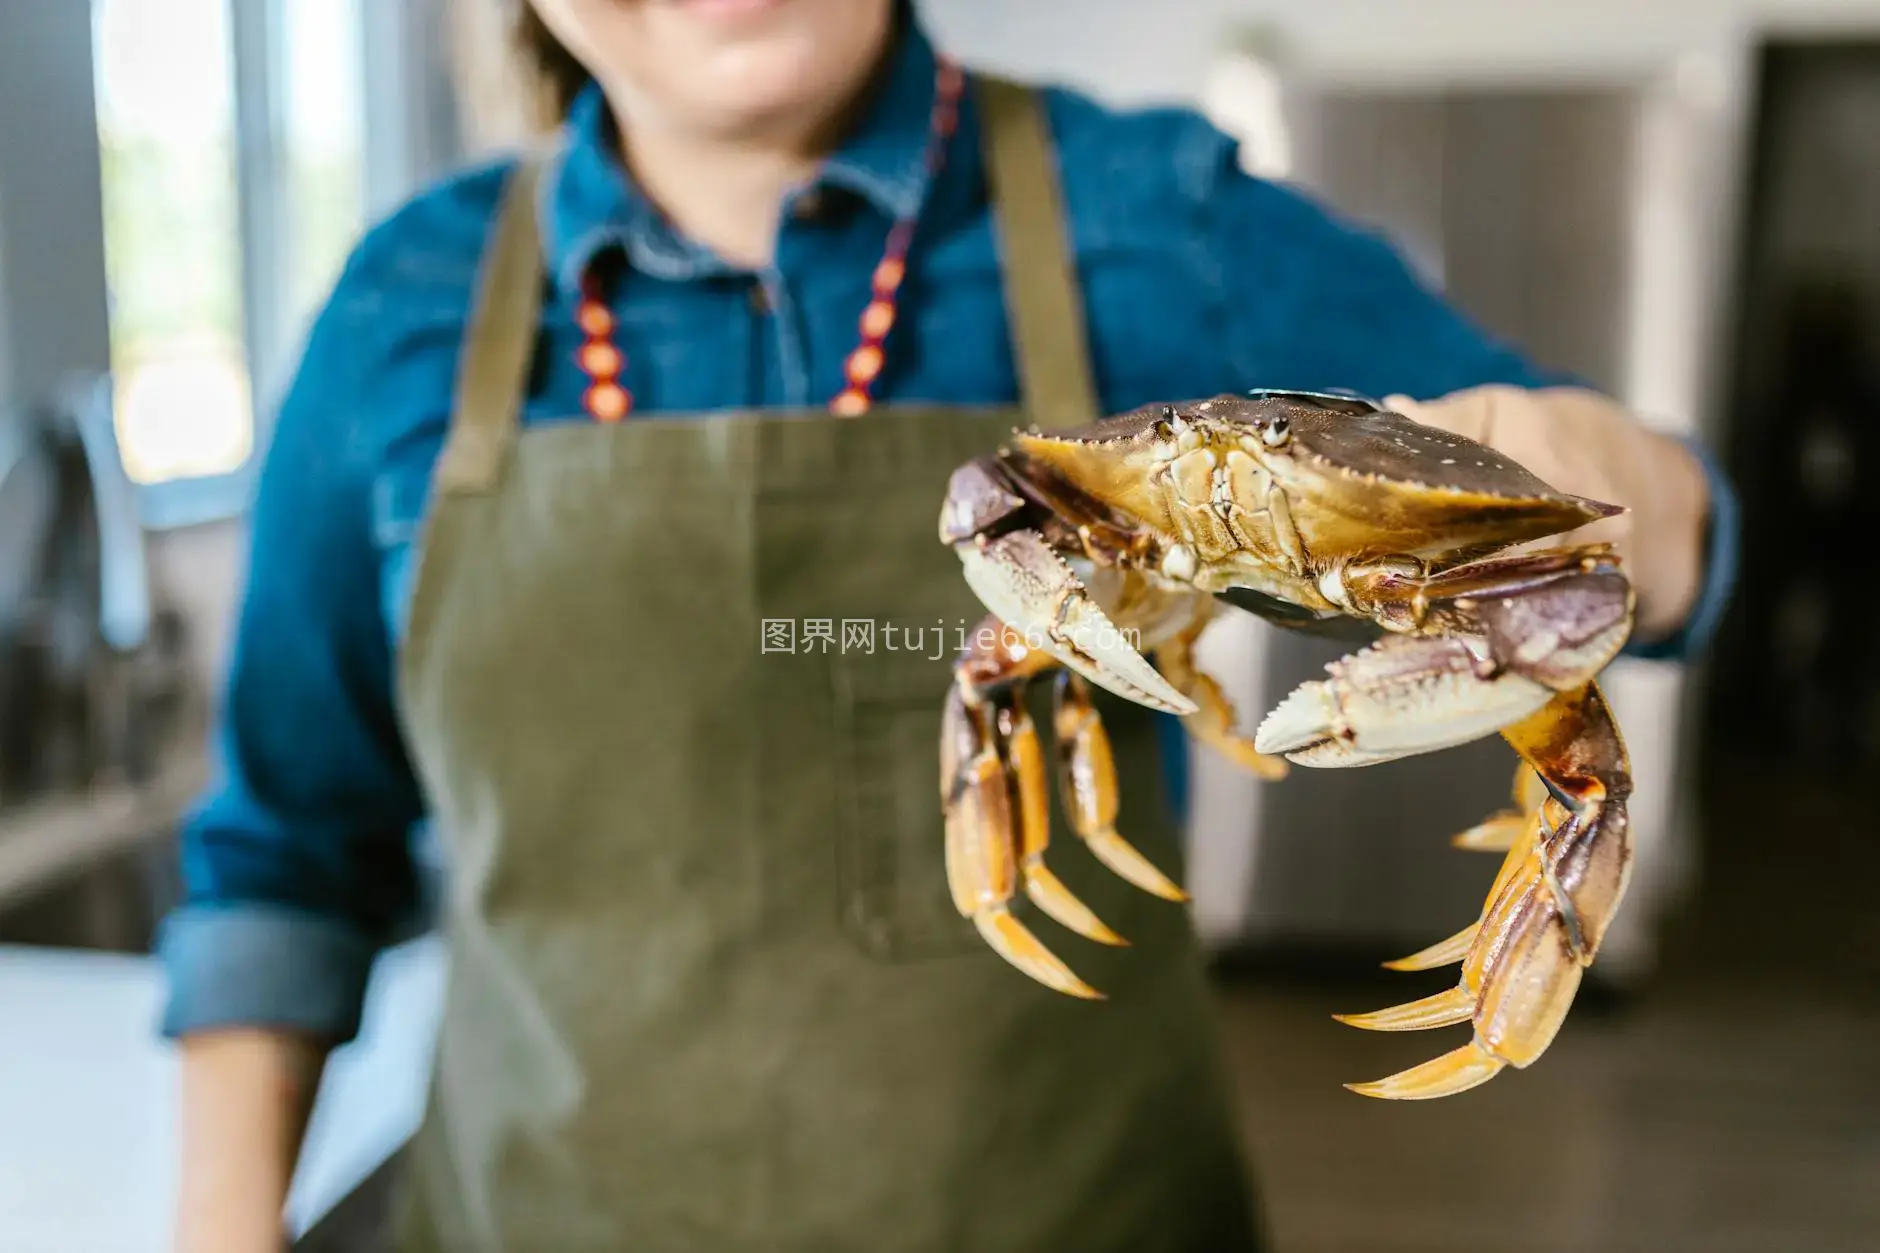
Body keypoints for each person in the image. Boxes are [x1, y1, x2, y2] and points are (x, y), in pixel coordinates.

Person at [162, 1, 1739, 1250]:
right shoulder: (397, 312)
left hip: (1073, 1213)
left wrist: (1628, 495)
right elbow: (288, 856)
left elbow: (1644, 528)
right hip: (544, 1215)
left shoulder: (1160, 218)